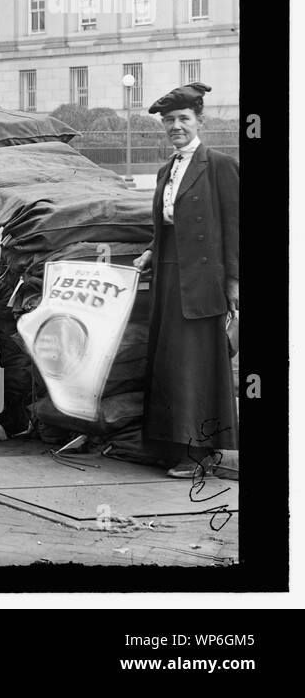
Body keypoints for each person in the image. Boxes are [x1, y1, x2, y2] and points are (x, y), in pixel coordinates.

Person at [133, 82, 239, 479]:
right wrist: (149, 251)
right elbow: (166, 224)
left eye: (183, 119)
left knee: (196, 367)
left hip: (202, 280)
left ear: (199, 121)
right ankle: (172, 446)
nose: (175, 126)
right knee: (170, 364)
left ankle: (200, 453)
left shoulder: (220, 165)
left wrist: (234, 282)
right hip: (169, 275)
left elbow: (234, 226)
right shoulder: (166, 169)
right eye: (169, 121)